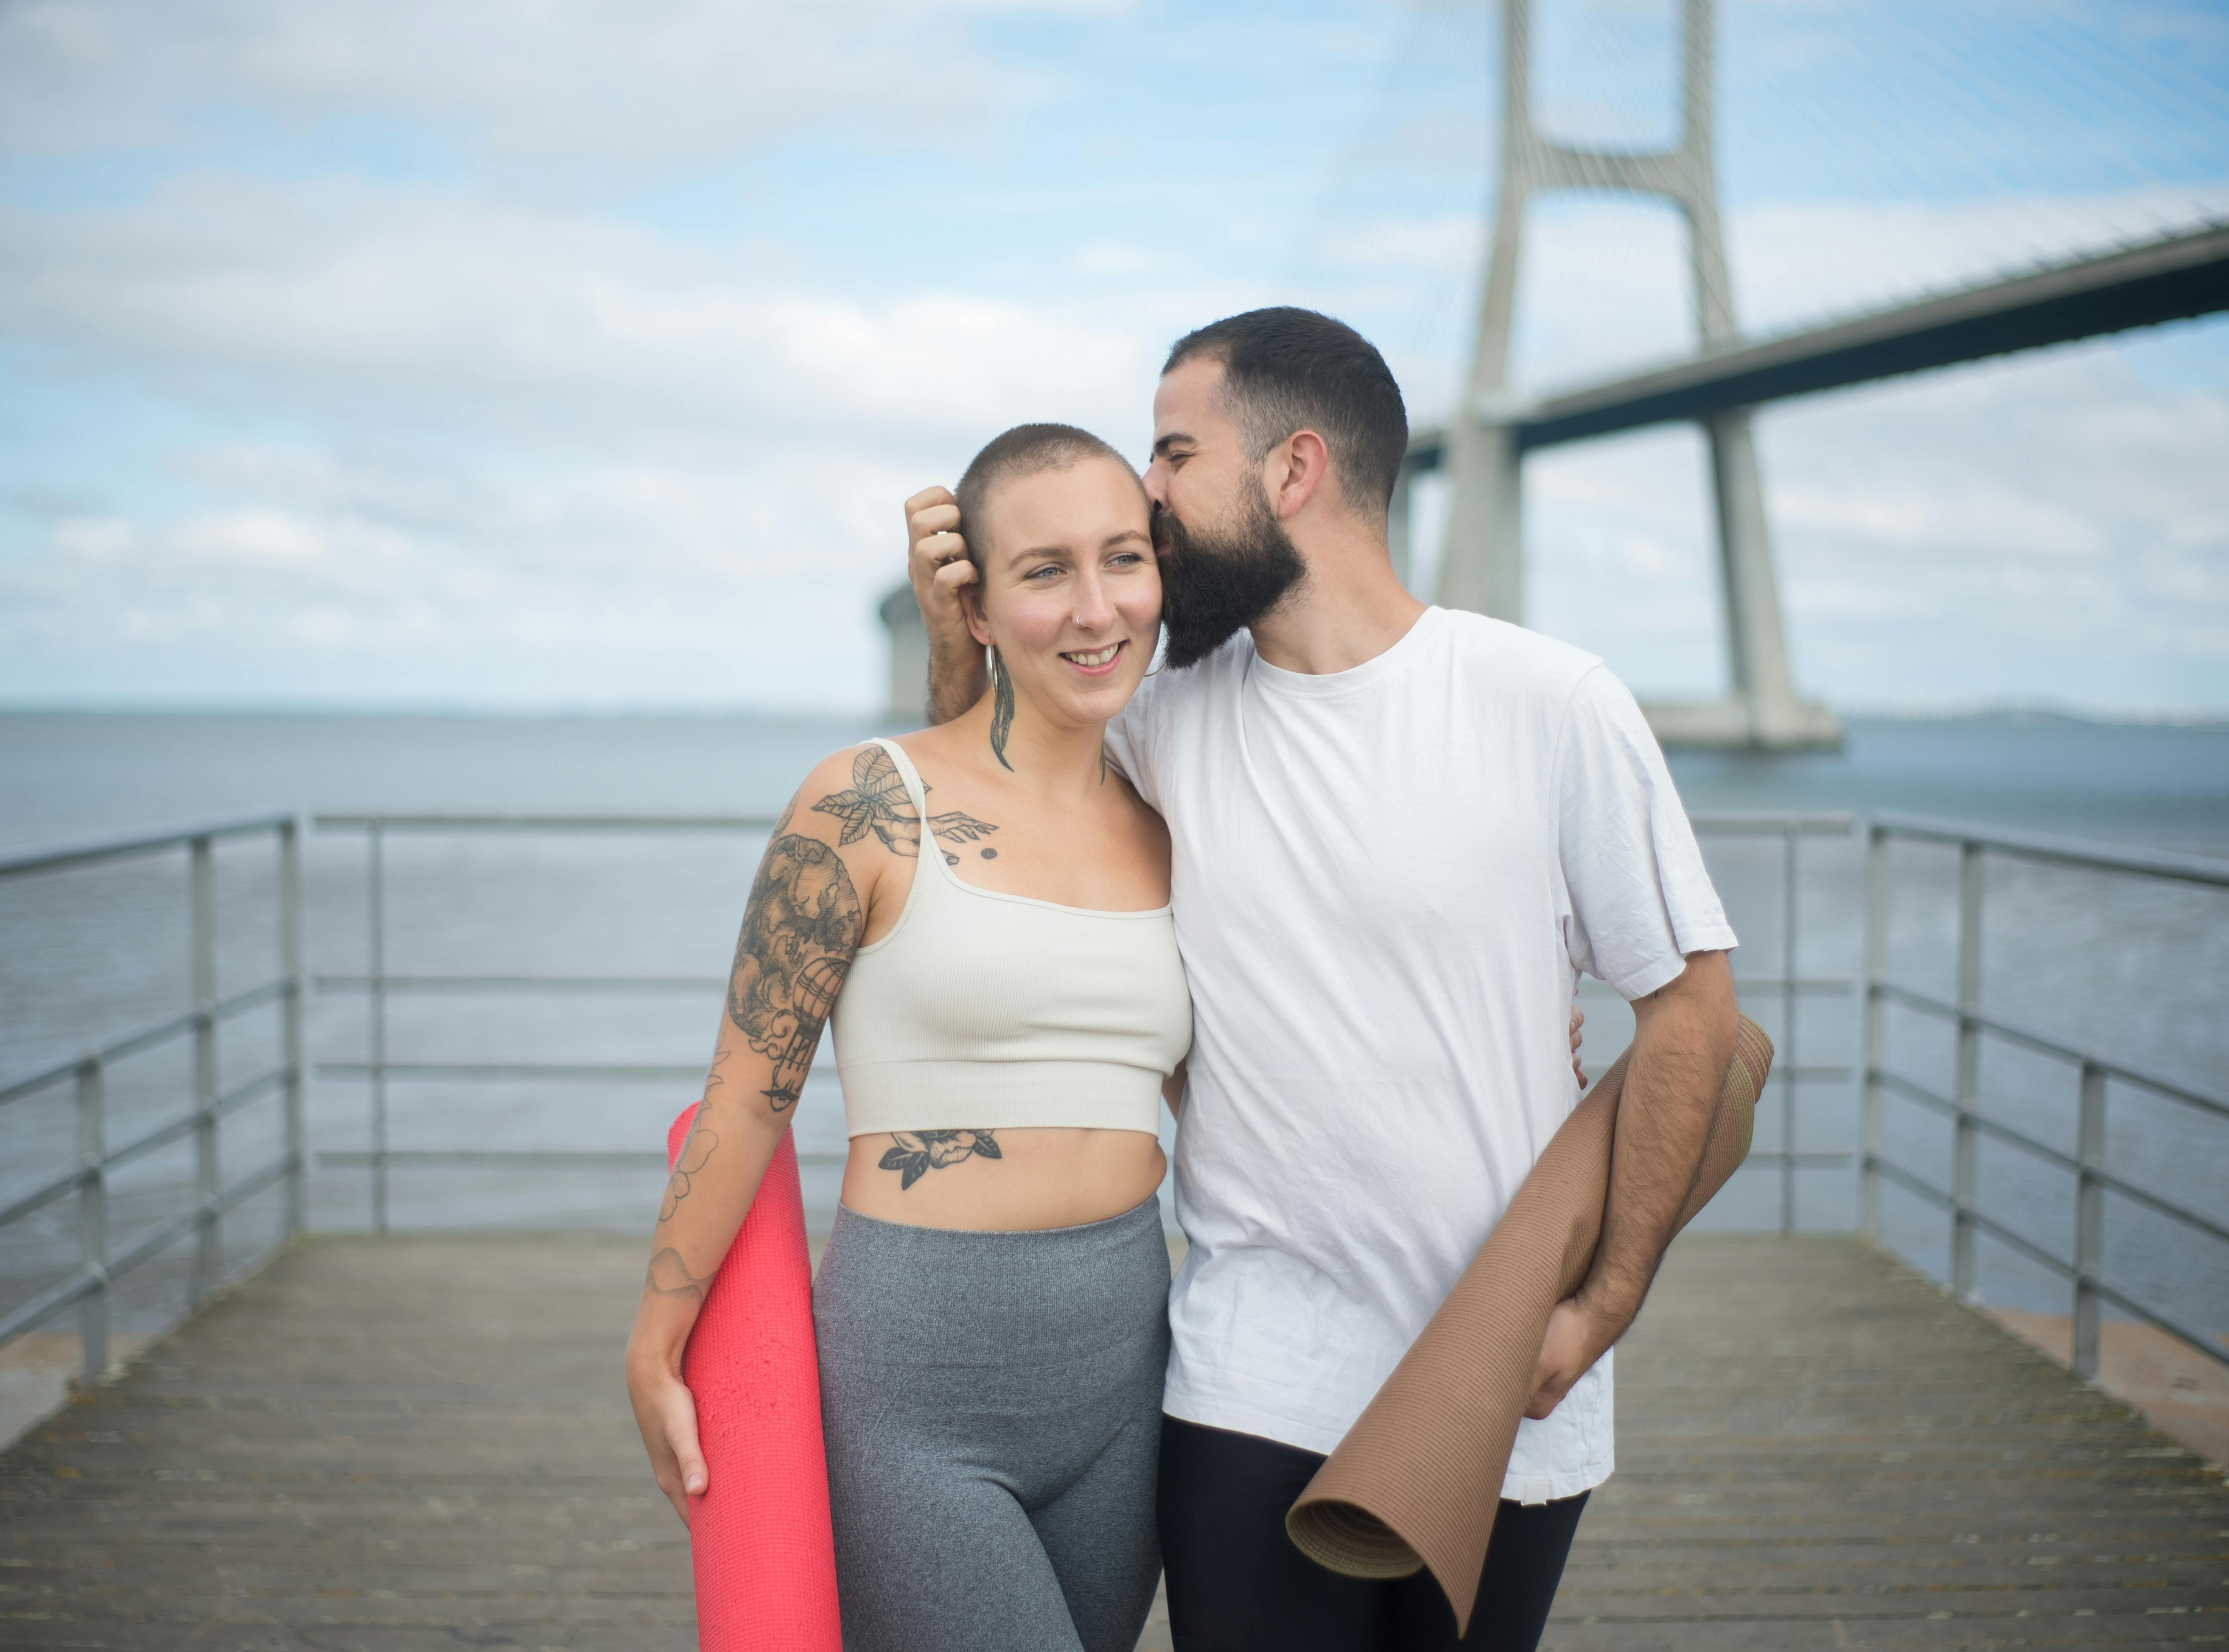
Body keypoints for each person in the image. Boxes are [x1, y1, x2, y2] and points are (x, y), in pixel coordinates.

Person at [904, 308, 1744, 1652]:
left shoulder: (1548, 701)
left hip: (1506, 1375)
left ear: (1293, 471)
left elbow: (1691, 1017)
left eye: (1173, 454)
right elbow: (977, 809)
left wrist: (1600, 1305)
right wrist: (958, 632)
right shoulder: (1160, 719)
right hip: (1252, 1373)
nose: (1145, 491)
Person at [625, 423, 1193, 1652]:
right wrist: (655, 1341)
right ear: (975, 607)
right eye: (1044, 572)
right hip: (918, 1382)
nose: (1097, 609)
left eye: (1123, 560)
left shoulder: (1173, 819)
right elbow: (743, 1098)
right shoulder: (864, 802)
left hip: (1131, 1369)